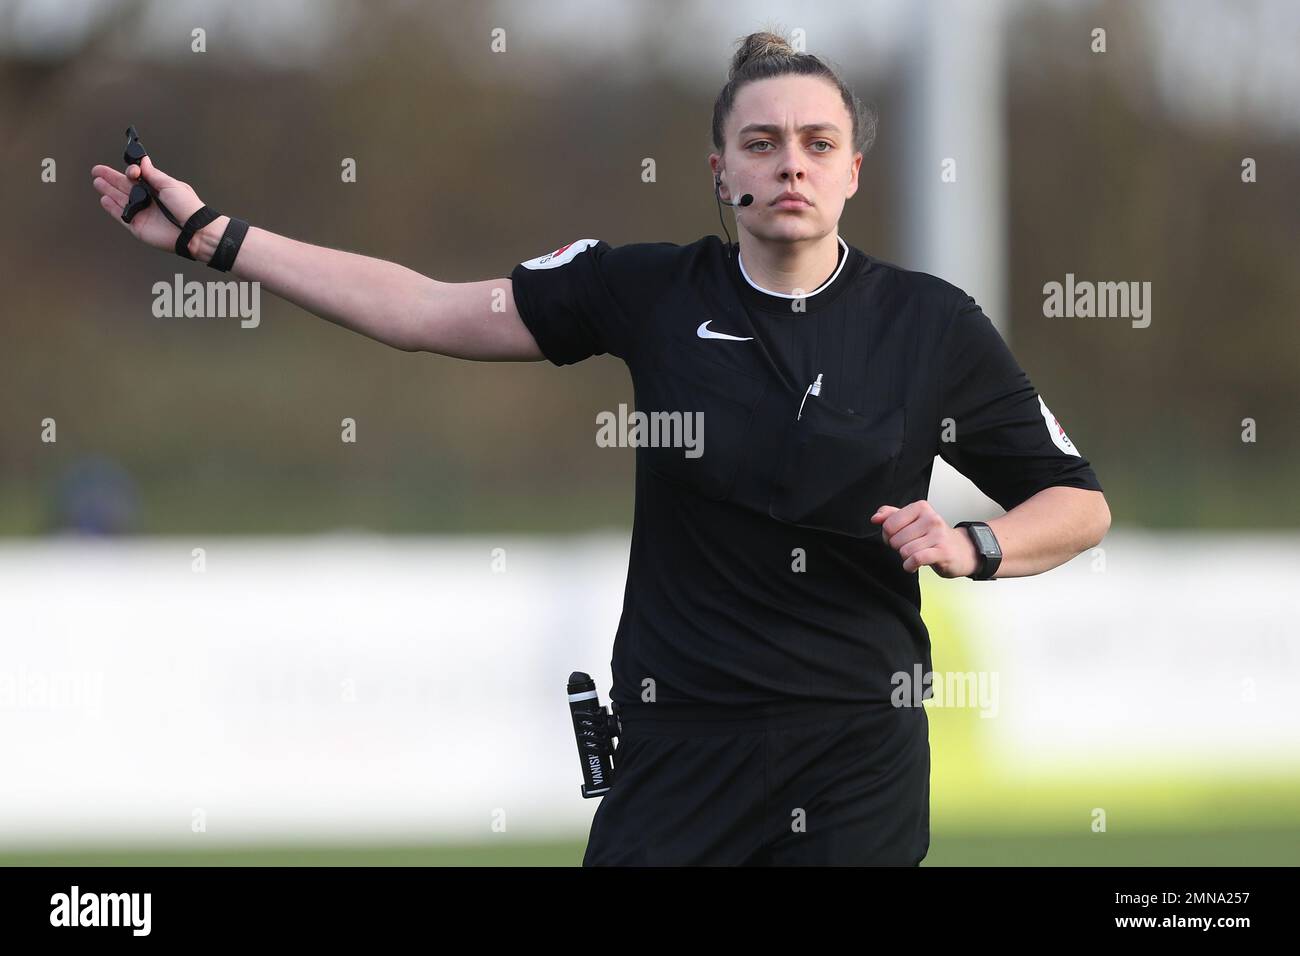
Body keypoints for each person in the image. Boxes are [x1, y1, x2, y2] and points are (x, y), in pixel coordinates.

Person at [90, 30, 1110, 866]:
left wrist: (971, 544)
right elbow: (421, 308)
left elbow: (1076, 502)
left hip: (853, 750)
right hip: (675, 748)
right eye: (760, 143)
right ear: (720, 171)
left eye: (814, 141)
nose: (788, 161)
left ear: (851, 168)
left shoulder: (929, 324)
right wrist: (213, 238)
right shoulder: (647, 290)